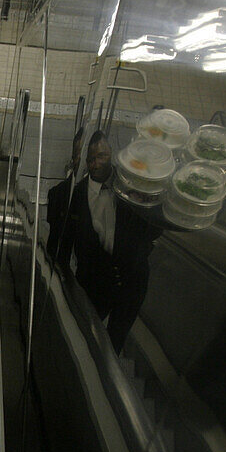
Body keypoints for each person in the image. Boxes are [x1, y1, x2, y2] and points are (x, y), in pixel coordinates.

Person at [55, 131, 162, 352]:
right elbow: (62, 243)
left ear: (112, 154)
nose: (96, 163)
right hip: (93, 283)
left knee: (115, 343)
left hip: (132, 284)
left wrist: (151, 206)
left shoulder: (133, 186)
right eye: (90, 158)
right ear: (80, 159)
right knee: (81, 337)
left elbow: (153, 232)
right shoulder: (71, 195)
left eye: (102, 155)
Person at [45, 125, 84, 259]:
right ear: (74, 157)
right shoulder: (57, 195)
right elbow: (53, 244)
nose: (85, 159)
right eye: (80, 153)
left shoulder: (110, 196)